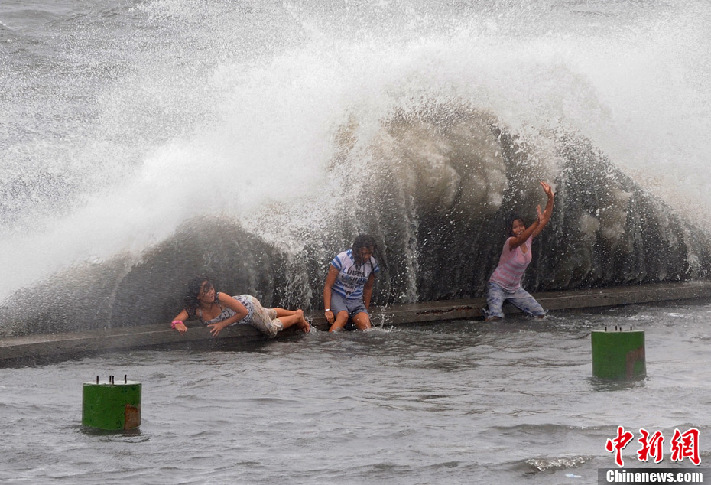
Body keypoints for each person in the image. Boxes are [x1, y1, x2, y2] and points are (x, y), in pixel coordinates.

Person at [485, 181, 555, 321]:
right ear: (510, 230)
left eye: (521, 225)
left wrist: (550, 198)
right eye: (515, 227)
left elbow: (545, 219)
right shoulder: (510, 242)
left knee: (540, 315)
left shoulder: (528, 240)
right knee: (495, 317)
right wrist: (536, 222)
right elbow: (520, 239)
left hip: (514, 290)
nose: (520, 229)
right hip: (497, 286)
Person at [170, 277, 310, 337]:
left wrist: (221, 325)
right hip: (245, 311)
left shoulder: (220, 297)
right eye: (206, 290)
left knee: (271, 330)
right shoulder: (195, 309)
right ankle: (295, 312)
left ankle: (297, 317)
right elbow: (178, 319)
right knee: (267, 313)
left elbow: (243, 312)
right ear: (198, 296)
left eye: (211, 288)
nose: (211, 292)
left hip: (248, 308)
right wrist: (178, 325)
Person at [323, 234, 380, 332]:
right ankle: (330, 343)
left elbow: (368, 288)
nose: (366, 257)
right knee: (343, 316)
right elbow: (328, 286)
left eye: (369, 253)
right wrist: (327, 310)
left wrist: (365, 310)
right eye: (363, 253)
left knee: (366, 326)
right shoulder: (342, 259)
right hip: (338, 297)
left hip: (356, 300)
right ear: (356, 250)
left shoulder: (372, 264)